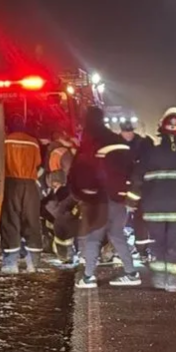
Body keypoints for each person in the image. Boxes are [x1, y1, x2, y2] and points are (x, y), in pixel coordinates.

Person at [126, 107, 176, 291]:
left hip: (154, 210)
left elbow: (137, 179)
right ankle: (174, 282)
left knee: (158, 243)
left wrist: (132, 201)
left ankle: (160, 278)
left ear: (160, 128)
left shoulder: (149, 154)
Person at [69, 107, 140, 288]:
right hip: (119, 198)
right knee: (117, 235)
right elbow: (132, 169)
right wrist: (126, 193)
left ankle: (88, 277)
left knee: (93, 237)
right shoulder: (118, 141)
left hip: (99, 198)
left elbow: (80, 170)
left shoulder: (91, 142)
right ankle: (131, 273)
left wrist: (79, 192)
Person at [0, 120, 43, 274]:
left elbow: (0, 161)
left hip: (11, 183)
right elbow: (38, 162)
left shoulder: (5, 140)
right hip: (30, 185)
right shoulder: (33, 142)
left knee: (11, 221)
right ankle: (33, 263)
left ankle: (11, 263)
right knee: (31, 221)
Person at [119, 121, 155, 262]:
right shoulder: (117, 143)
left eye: (129, 132)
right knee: (125, 219)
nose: (128, 135)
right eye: (125, 132)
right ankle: (130, 247)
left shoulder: (142, 143)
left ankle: (142, 250)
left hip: (138, 187)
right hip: (124, 186)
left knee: (140, 220)